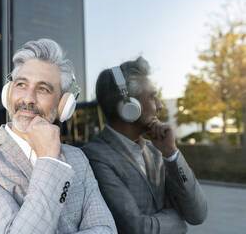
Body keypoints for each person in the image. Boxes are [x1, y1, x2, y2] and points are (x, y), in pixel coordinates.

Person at [0, 39, 117, 234]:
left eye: (43, 89)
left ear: (63, 105)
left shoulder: (78, 159)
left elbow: (106, 229)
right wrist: (49, 159)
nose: (28, 98)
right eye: (21, 85)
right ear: (8, 93)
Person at [82, 57, 207, 234]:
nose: (160, 105)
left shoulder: (157, 151)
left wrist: (171, 154)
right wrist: (178, 221)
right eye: (152, 97)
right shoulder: (94, 157)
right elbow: (137, 228)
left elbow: (197, 214)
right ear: (129, 106)